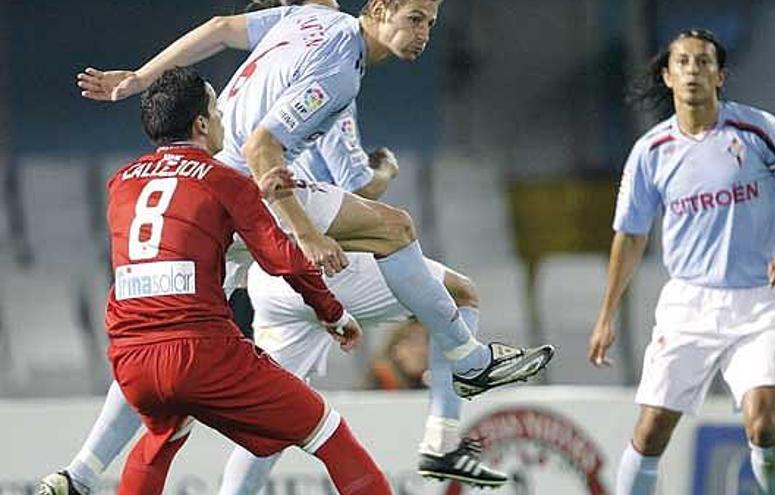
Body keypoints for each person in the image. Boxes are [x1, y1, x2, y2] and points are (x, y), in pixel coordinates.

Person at [76, 0, 553, 406]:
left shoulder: (309, 18)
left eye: (430, 21)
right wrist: (309, 235)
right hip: (242, 192)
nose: (423, 33)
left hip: (208, 190)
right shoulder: (341, 68)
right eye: (414, 18)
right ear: (379, 9)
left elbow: (221, 29)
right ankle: (468, 362)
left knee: (172, 347)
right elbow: (262, 148)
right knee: (396, 228)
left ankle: (82, 470)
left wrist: (141, 77)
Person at [40, 67, 392, 495]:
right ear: (201, 124)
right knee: (328, 432)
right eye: (216, 110)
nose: (223, 119)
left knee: (161, 433)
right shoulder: (225, 180)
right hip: (202, 352)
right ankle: (80, 475)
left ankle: (81, 475)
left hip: (130, 357)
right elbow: (286, 261)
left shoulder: (120, 183)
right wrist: (334, 316)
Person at [588, 29, 775, 495]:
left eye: (703, 63)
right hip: (690, 303)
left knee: (763, 424)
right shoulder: (650, 153)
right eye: (682, 63)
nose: (692, 71)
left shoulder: (758, 131)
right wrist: (606, 314)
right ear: (667, 75)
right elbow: (631, 236)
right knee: (652, 429)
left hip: (762, 300)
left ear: (721, 76)